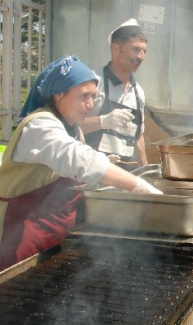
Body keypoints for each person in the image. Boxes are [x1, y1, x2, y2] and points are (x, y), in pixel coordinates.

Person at [0, 55, 162, 271]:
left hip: (55, 233)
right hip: (20, 236)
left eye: (94, 96)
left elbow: (72, 165)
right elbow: (80, 160)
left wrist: (105, 163)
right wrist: (140, 186)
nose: (90, 104)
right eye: (84, 96)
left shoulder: (71, 125)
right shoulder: (39, 126)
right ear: (59, 93)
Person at [80, 19, 148, 168]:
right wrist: (103, 121)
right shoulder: (93, 83)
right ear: (115, 49)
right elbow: (71, 126)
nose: (141, 56)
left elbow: (138, 137)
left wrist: (145, 172)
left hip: (124, 174)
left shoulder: (138, 93)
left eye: (144, 51)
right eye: (136, 49)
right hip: (91, 173)